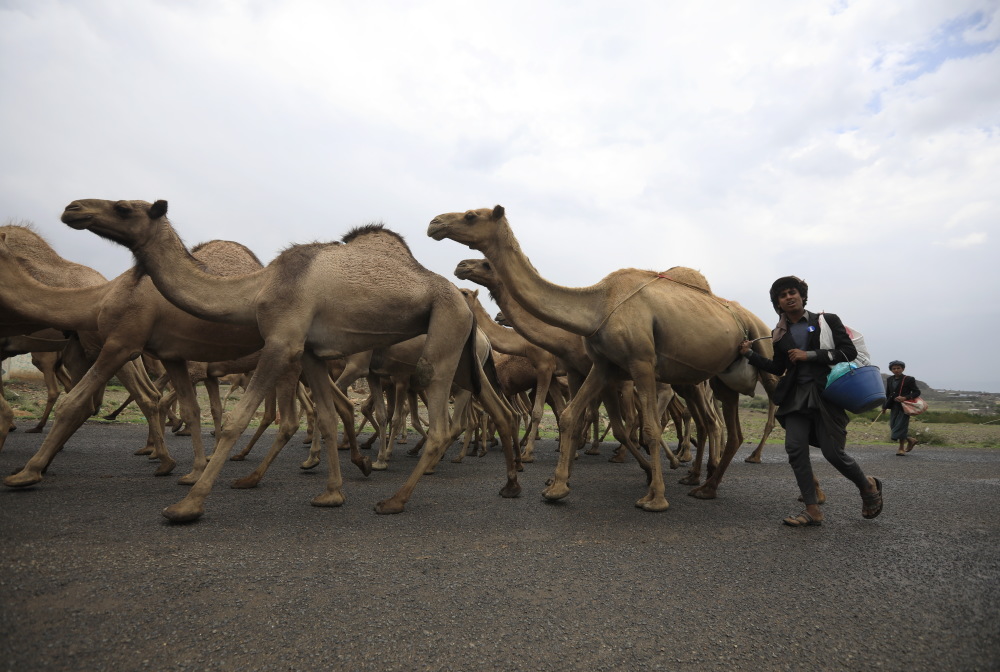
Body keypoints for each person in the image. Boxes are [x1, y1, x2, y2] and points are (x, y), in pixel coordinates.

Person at [738, 276, 883, 527]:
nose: (789, 297)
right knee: (795, 450)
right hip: (795, 397)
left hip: (826, 395)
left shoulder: (826, 321)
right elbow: (779, 366)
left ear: (802, 296)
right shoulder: (779, 334)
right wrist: (750, 354)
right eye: (782, 296)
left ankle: (868, 485)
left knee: (833, 453)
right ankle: (812, 509)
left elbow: (847, 352)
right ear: (778, 303)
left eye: (792, 292)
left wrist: (811, 355)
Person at [884, 360, 921, 455]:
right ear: (891, 370)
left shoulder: (909, 379)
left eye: (898, 368)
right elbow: (888, 394)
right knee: (893, 426)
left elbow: (917, 392)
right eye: (894, 368)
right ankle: (910, 439)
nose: (896, 370)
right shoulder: (889, 379)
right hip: (893, 406)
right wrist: (884, 406)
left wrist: (905, 397)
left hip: (904, 407)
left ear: (903, 369)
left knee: (901, 426)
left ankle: (901, 449)